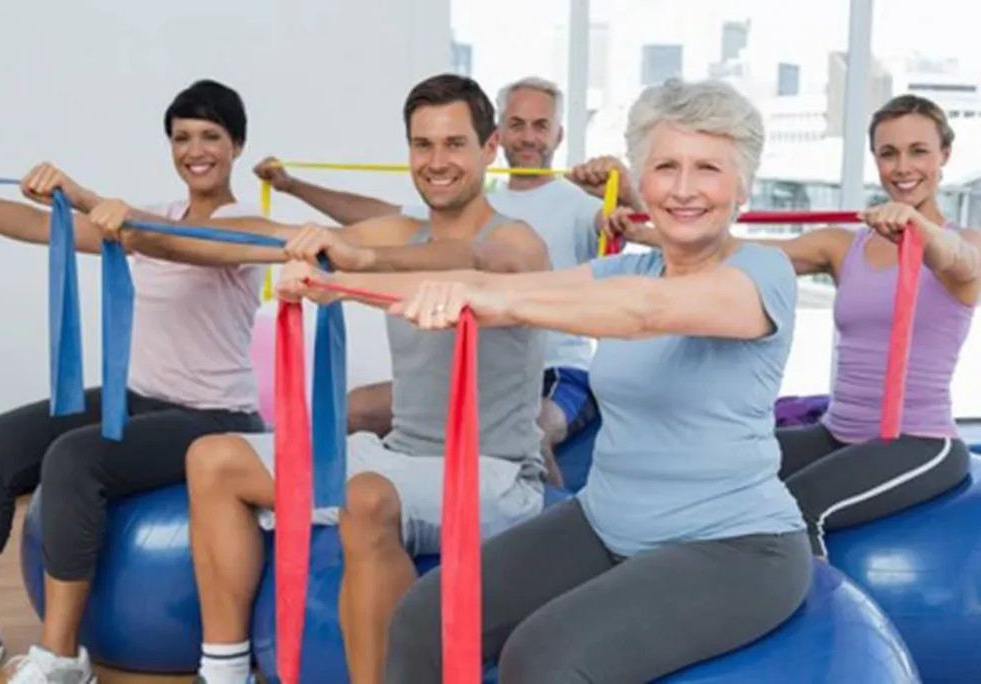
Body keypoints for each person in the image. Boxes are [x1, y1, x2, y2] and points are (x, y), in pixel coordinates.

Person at [84, 73, 550, 684]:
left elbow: (474, 262)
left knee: (366, 495)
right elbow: (257, 242)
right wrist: (133, 226)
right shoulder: (400, 231)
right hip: (400, 455)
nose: (437, 162)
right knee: (213, 459)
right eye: (422, 145)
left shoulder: (515, 241)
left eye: (454, 144)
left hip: (490, 475)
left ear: (489, 150)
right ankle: (224, 670)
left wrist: (361, 263)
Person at [375, 77, 814, 683]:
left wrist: (501, 305)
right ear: (643, 179)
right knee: (425, 618)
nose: (684, 189)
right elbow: (499, 287)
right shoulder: (628, 265)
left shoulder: (763, 273)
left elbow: (646, 311)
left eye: (708, 168)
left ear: (743, 183)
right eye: (665, 167)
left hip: (736, 546)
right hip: (606, 522)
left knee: (544, 658)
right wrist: (325, 283)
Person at [0, 80, 269, 683]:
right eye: (181, 137)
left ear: (237, 144)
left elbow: (169, 244)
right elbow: (29, 225)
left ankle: (61, 656)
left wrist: (86, 196)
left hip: (213, 419)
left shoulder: (244, 226)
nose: (194, 149)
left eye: (210, 136)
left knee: (75, 458)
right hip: (139, 400)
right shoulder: (154, 214)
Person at [602, 93, 978, 558]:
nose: (903, 166)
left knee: (800, 509)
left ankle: (807, 623)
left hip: (920, 442)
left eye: (918, 151)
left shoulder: (963, 243)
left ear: (944, 155)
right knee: (721, 468)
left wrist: (922, 229)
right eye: (888, 153)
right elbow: (732, 250)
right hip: (837, 433)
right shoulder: (844, 246)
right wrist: (642, 224)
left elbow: (956, 259)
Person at [254, 76, 643, 487]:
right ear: (499, 137)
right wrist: (294, 187)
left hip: (555, 368)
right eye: (518, 124)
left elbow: (633, 228)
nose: (528, 137)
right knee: (351, 409)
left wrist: (626, 195)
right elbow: (375, 215)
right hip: (475, 366)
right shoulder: (468, 193)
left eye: (540, 126)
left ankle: (553, 523)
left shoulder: (579, 201)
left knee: (535, 426)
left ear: (558, 135)